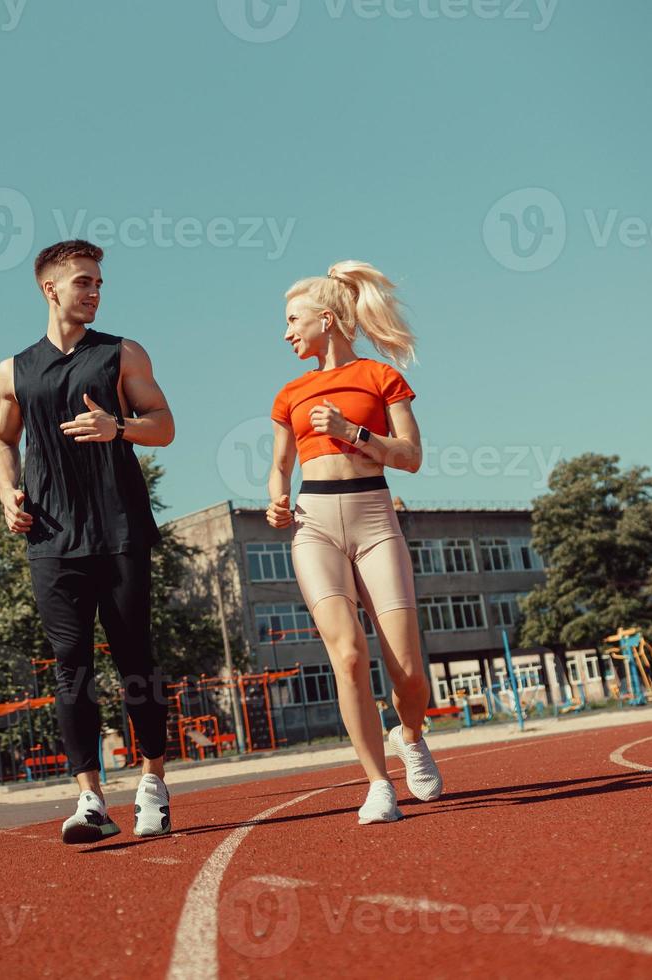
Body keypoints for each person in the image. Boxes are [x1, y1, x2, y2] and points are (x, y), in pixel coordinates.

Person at [0, 239, 176, 843]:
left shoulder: (122, 354)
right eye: (83, 283)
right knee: (70, 668)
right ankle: (89, 798)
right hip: (51, 537)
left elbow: (165, 427)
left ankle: (152, 785)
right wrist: (7, 492)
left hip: (119, 530)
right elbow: (0, 440)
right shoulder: (12, 370)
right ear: (51, 289)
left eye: (98, 283)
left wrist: (115, 425)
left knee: (134, 662)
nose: (95, 292)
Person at [264, 261, 441, 824]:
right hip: (315, 523)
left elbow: (411, 457)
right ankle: (377, 783)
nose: (287, 332)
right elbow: (279, 465)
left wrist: (352, 434)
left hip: (374, 517)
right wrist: (275, 499)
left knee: (408, 671)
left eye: (294, 320)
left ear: (327, 317)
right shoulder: (289, 393)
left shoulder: (381, 377)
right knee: (347, 654)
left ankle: (408, 735)